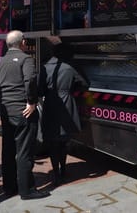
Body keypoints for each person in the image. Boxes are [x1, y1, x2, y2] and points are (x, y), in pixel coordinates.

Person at [0, 30, 50, 200]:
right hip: (23, 111)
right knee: (25, 151)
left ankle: (9, 187)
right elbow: (30, 80)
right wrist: (32, 102)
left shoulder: (0, 62)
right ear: (23, 42)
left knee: (8, 150)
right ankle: (27, 190)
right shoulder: (26, 59)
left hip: (6, 111)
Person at [38, 42, 89, 186]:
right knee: (64, 141)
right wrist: (71, 88)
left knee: (53, 141)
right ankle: (63, 170)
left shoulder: (44, 67)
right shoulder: (70, 67)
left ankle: (55, 172)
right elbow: (85, 83)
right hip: (67, 103)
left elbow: (40, 91)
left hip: (50, 105)